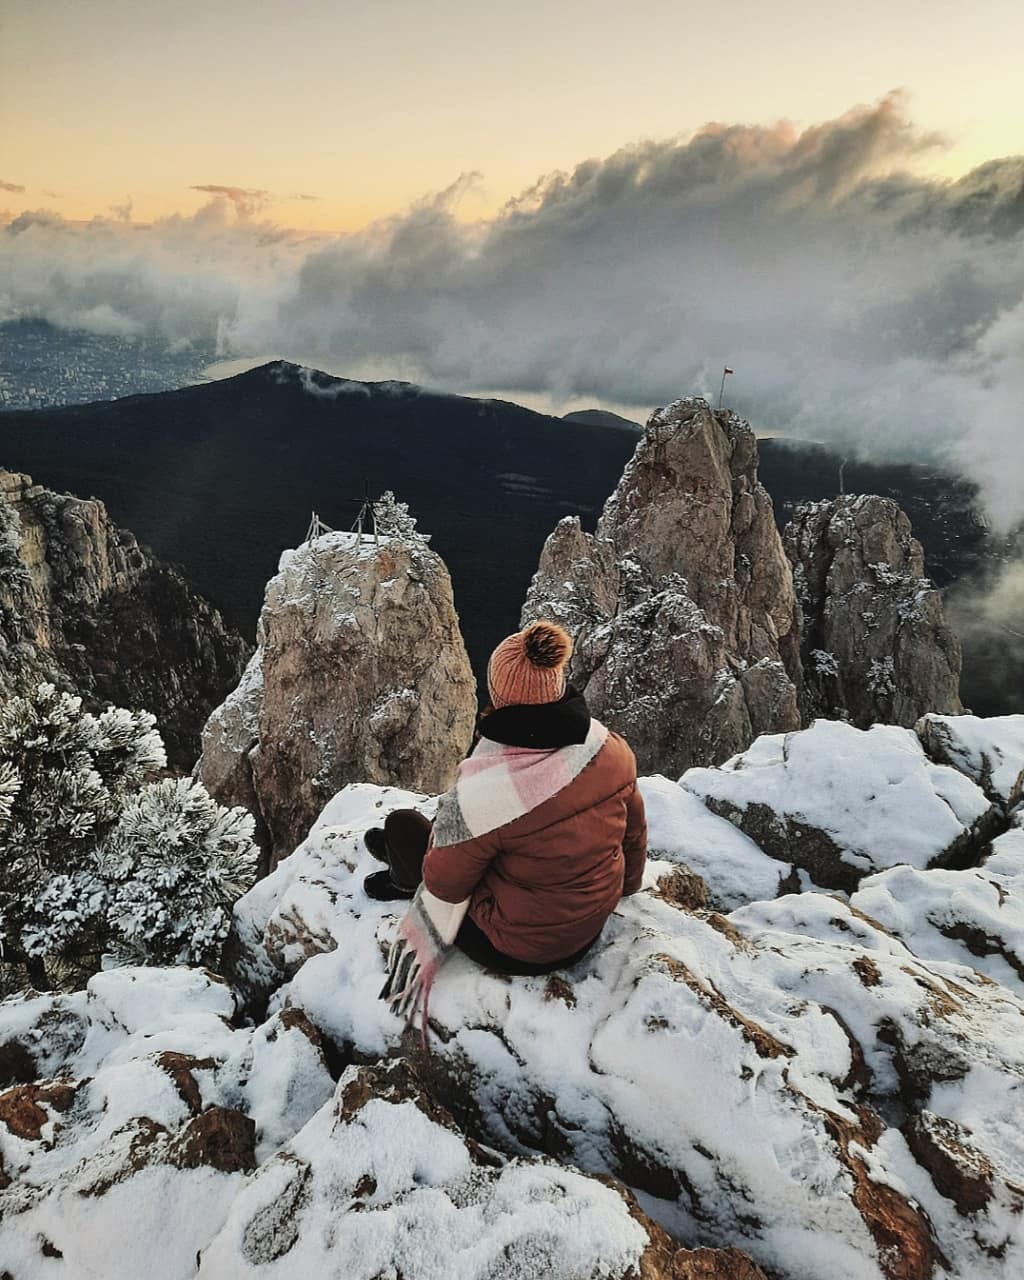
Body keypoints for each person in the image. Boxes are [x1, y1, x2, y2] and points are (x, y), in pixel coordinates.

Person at [372, 620, 647, 1015]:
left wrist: (439, 839)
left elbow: (444, 886)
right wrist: (626, 887)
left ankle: (400, 876)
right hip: (590, 924)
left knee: (403, 826)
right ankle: (404, 856)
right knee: (479, 839)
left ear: (500, 697)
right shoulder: (608, 748)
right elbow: (634, 836)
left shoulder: (488, 793)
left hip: (517, 949)